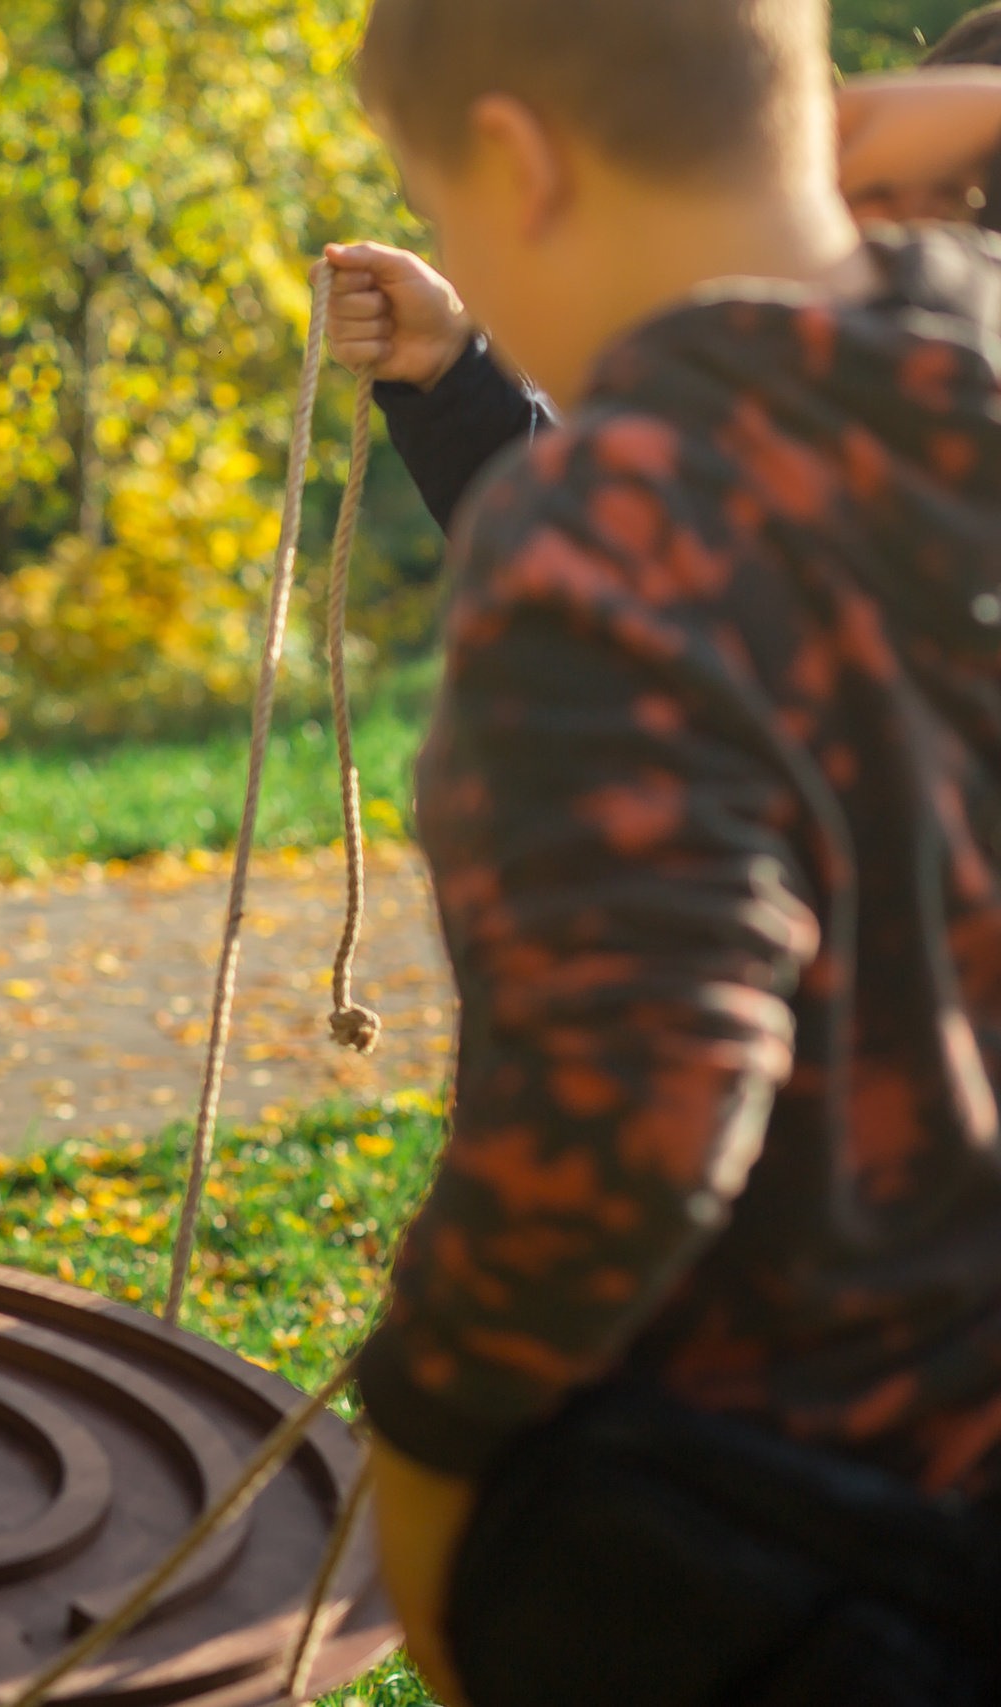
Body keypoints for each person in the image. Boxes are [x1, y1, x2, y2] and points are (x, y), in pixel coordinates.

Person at [343, 0, 1001, 1700]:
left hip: (801, 1539)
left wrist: (431, 1452)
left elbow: (634, 1105)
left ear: (517, 160)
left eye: (444, 202)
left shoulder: (611, 522)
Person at [325, 5, 1001, 542]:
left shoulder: (571, 594)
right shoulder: (960, 360)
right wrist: (450, 373)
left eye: (440, 215)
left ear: (520, 168)